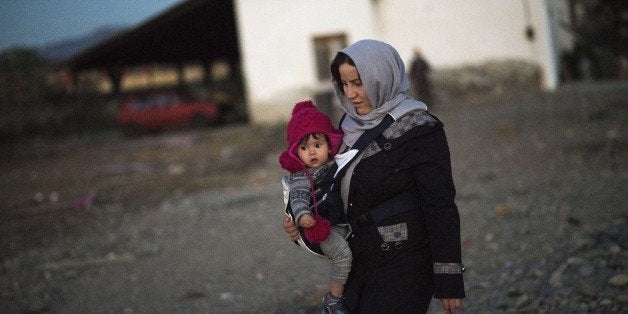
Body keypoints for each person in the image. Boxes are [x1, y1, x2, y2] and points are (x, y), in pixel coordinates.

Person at [283, 39, 465, 313]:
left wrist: (449, 278)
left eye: (359, 82)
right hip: (360, 264)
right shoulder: (345, 130)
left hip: (406, 266)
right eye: (344, 84)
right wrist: (303, 226)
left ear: (382, 76)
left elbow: (440, 206)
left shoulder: (421, 130)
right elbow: (337, 195)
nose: (351, 93)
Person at [279, 100, 351, 313]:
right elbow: (298, 198)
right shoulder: (301, 177)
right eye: (304, 148)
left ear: (329, 146)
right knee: (342, 255)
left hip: (338, 221)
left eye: (317, 145)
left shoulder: (334, 166)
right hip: (316, 226)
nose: (312, 153)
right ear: (296, 152)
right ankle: (334, 299)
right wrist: (302, 216)